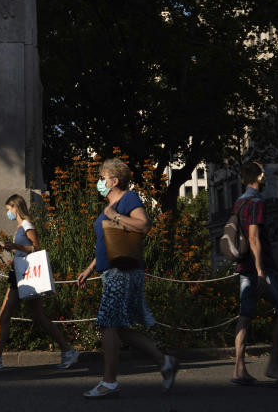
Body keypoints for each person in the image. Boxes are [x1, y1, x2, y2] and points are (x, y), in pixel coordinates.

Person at [76, 158, 179, 398]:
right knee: (118, 328)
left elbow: (143, 225)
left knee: (107, 324)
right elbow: (108, 242)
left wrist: (114, 215)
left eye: (102, 178)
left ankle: (109, 382)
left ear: (114, 181)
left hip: (122, 271)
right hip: (111, 271)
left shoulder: (128, 199)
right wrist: (91, 268)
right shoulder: (110, 206)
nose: (99, 182)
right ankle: (165, 362)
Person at [0, 195, 80, 370]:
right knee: (37, 316)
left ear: (15, 207)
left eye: (8, 209)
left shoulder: (26, 225)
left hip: (25, 275)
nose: (7, 213)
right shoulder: (21, 226)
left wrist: (15, 247)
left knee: (5, 315)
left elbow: (36, 247)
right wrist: (7, 246)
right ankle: (67, 350)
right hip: (20, 273)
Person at [231, 161, 278, 385]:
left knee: (245, 315)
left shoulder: (239, 202)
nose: (266, 177)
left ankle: (239, 369)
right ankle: (274, 366)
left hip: (243, 266)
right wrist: (260, 271)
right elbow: (254, 238)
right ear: (258, 177)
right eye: (263, 174)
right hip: (262, 267)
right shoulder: (256, 202)